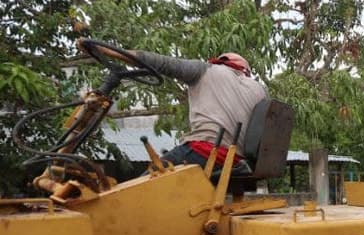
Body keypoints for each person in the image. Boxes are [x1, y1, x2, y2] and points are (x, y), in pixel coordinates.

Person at [86, 43, 266, 175]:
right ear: (245, 70)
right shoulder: (259, 89)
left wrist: (106, 50)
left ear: (221, 62)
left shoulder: (207, 70)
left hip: (204, 151)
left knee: (135, 193)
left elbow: (161, 63)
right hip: (237, 161)